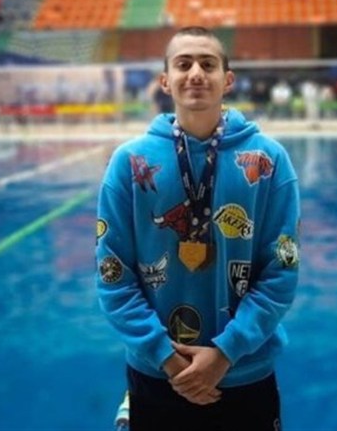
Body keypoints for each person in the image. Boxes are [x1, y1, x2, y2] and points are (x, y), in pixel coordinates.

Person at [95, 26, 300, 431]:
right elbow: (113, 275)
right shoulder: (129, 163)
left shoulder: (269, 161)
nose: (195, 73)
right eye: (183, 63)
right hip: (158, 375)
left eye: (208, 64)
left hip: (245, 374)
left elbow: (281, 273)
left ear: (228, 79)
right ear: (164, 80)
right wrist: (167, 359)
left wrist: (225, 354)